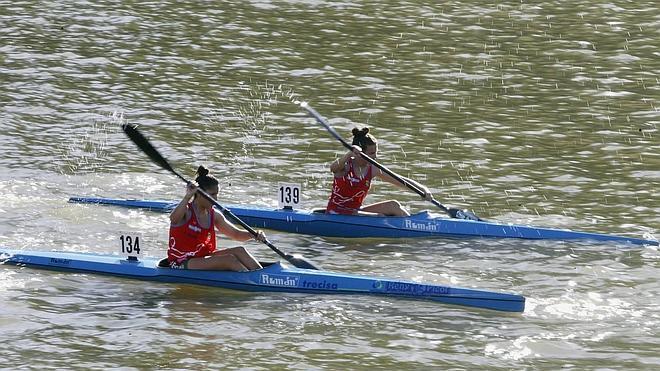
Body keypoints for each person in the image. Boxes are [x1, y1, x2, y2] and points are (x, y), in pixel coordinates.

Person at [168, 165, 265, 271]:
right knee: (228, 260)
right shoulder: (186, 211)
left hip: (203, 257)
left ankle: (264, 277)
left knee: (240, 251)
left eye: (217, 194)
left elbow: (236, 234)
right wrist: (187, 197)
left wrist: (253, 234)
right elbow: (173, 219)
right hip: (180, 262)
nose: (216, 199)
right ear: (199, 194)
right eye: (212, 195)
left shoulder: (215, 215)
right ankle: (252, 282)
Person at [326, 127, 433, 216]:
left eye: (376, 152)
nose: (375, 156)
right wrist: (349, 154)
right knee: (379, 216)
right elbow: (333, 168)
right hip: (336, 212)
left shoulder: (373, 169)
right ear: (359, 153)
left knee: (393, 205)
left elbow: (401, 181)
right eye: (372, 153)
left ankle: (412, 226)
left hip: (356, 212)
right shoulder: (345, 165)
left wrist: (424, 189)